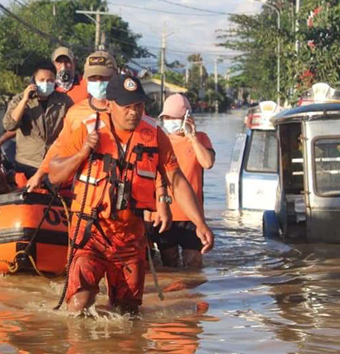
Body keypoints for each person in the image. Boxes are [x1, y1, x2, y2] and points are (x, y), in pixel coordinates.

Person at [49, 74, 214, 314]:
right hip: (90, 233)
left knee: (127, 312)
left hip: (130, 236)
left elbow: (176, 180)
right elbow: (55, 175)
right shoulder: (88, 130)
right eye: (127, 106)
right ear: (109, 104)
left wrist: (200, 223)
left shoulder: (155, 135)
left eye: (139, 105)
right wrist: (83, 152)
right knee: (80, 303)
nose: (134, 112)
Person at [26, 50, 117, 190]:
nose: (98, 83)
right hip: (85, 191)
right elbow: (60, 145)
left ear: (115, 77)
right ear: (86, 79)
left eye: (104, 78)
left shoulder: (129, 111)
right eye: (93, 78)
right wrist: (39, 174)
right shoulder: (75, 112)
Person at [147, 94, 215, 269]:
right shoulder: (159, 140)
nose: (170, 121)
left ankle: (192, 295)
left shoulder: (201, 138)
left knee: (194, 264)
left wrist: (192, 137)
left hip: (192, 216)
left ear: (186, 118)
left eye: (174, 117)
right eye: (167, 118)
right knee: (170, 264)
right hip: (164, 214)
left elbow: (207, 163)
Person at [2, 62, 73, 179]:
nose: (46, 83)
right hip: (27, 163)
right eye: (42, 80)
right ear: (34, 80)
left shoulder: (64, 100)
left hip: (53, 162)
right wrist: (25, 100)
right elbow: (9, 125)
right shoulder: (19, 100)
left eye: (50, 80)